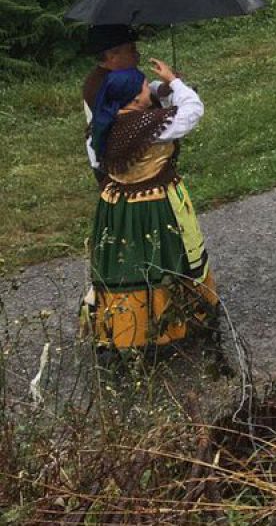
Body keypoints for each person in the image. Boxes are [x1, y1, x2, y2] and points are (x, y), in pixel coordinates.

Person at [81, 58, 217, 352]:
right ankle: (172, 323)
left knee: (125, 263)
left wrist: (164, 87)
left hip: (116, 207)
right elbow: (192, 111)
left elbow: (97, 162)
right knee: (166, 258)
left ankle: (127, 329)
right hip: (154, 205)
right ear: (134, 97)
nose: (149, 89)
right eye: (145, 86)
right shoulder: (147, 126)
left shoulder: (102, 126)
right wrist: (177, 83)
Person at [82, 24, 141, 179]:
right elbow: (134, 114)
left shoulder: (119, 76)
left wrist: (164, 89)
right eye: (132, 49)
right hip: (115, 163)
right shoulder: (99, 85)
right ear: (112, 55)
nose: (137, 54)